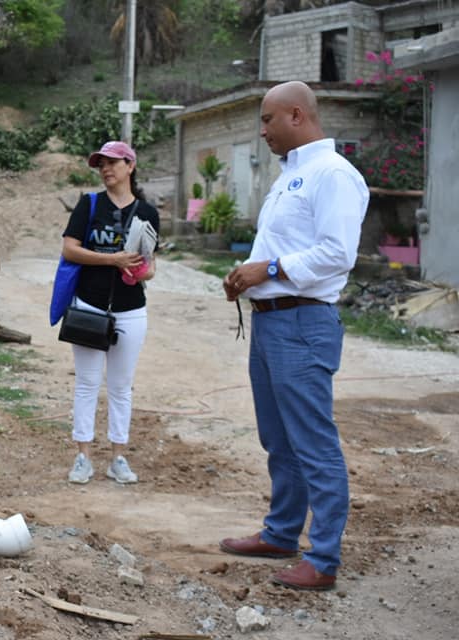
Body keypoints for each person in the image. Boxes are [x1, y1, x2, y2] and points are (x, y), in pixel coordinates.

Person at [219, 81, 369, 591]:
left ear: (297, 116)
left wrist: (270, 268)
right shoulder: (290, 177)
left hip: (304, 323)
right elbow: (280, 252)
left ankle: (323, 558)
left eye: (268, 120)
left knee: (313, 442)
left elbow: (336, 253)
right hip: (272, 322)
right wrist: (247, 274)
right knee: (278, 438)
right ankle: (282, 533)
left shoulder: (333, 176)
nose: (262, 131)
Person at [61, 141, 159, 485]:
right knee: (87, 384)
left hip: (131, 309)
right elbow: (70, 250)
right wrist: (111, 259)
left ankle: (118, 457)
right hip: (89, 305)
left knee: (121, 386)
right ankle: (83, 457)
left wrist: (139, 271)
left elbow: (151, 266)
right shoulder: (88, 205)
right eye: (101, 164)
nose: (106, 169)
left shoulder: (148, 212)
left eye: (113, 163)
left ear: (130, 166)